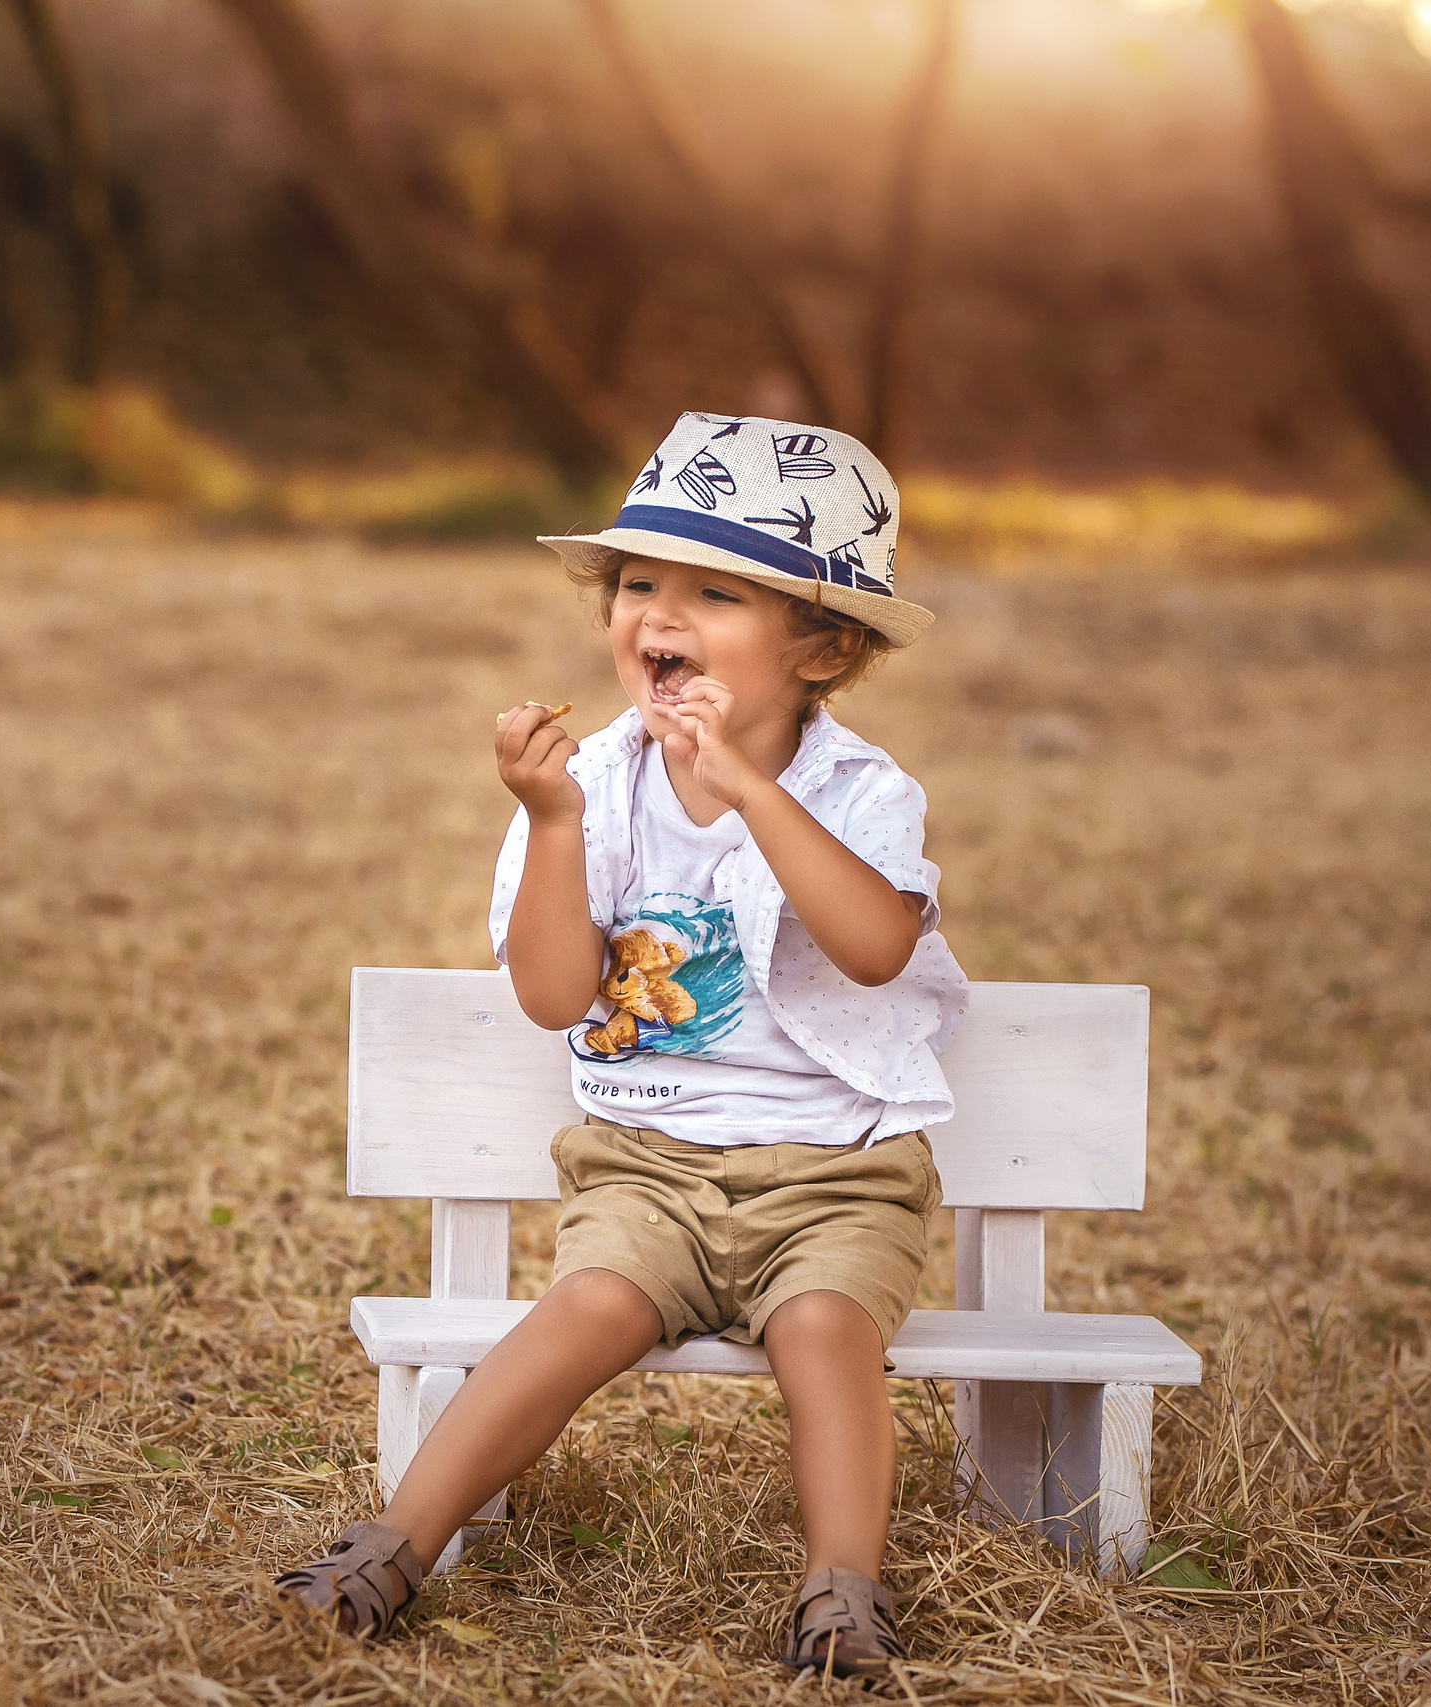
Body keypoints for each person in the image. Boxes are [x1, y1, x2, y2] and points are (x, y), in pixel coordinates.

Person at [274, 413, 968, 1682]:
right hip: (643, 1161)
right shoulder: (592, 781)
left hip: (834, 1172)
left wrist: (755, 795)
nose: (660, 612)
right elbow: (553, 995)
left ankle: (841, 1598)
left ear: (821, 645)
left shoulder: (862, 791)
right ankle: (389, 1551)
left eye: (714, 591)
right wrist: (548, 821)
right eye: (639, 584)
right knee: (584, 1306)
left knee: (821, 1329)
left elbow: (872, 947)